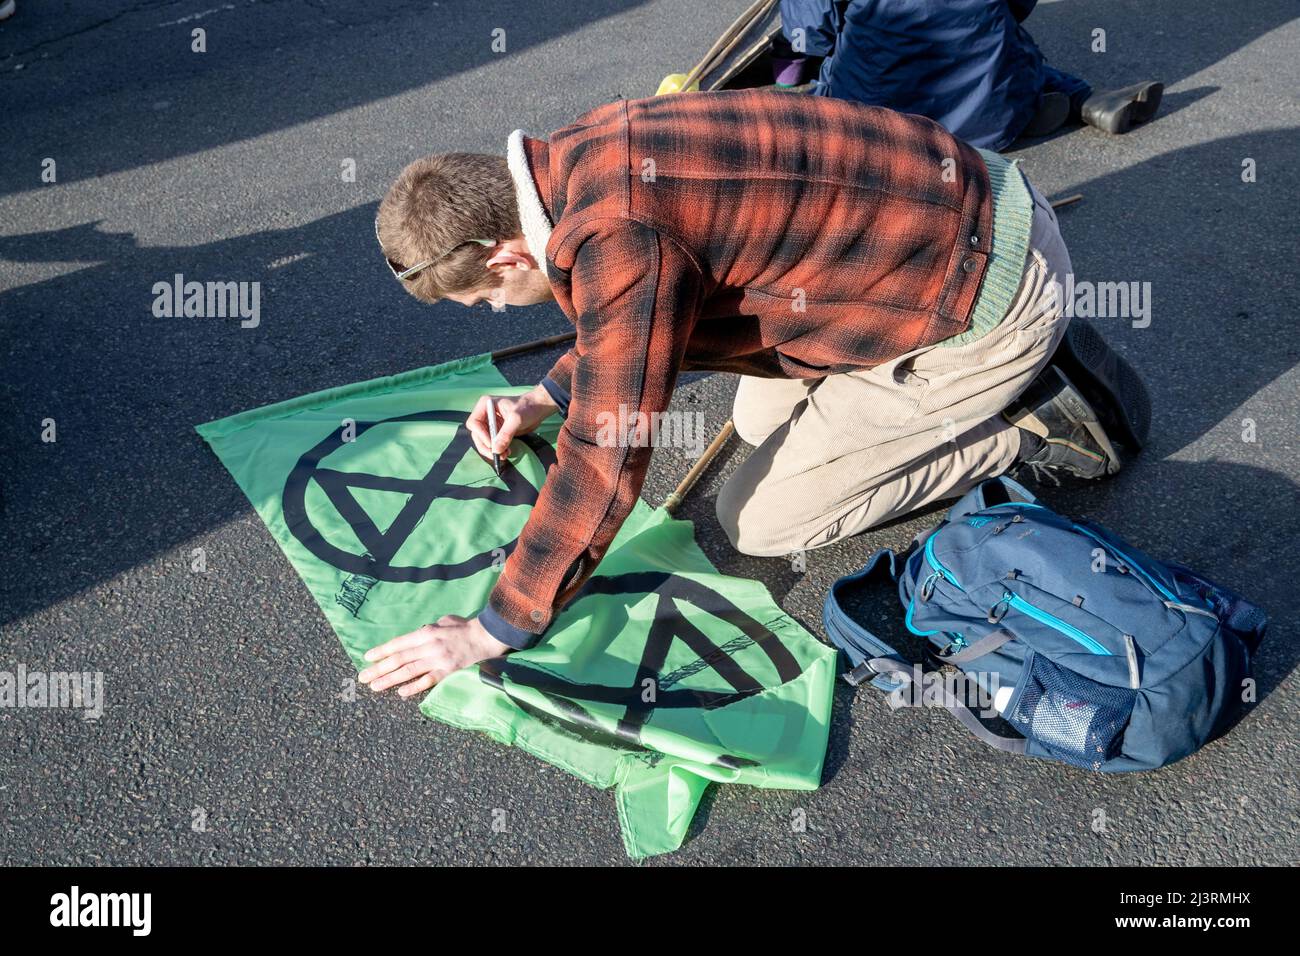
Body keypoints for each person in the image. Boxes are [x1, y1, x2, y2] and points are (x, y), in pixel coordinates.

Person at [359, 89, 1148, 697]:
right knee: (752, 409)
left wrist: (499, 625)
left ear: (501, 257)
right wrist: (545, 398)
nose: (495, 312)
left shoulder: (619, 239)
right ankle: (940, 390)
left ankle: (1038, 418)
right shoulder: (578, 155)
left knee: (762, 520)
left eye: (485, 302)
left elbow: (606, 451)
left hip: (986, 300)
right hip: (961, 207)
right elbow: (629, 326)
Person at [775, 0, 1163, 149]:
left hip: (876, 129)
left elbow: (812, 36)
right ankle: (1081, 98)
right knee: (1001, 46)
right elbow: (1019, 8)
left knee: (854, 68)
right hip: (993, 111)